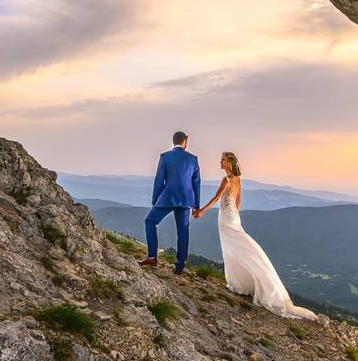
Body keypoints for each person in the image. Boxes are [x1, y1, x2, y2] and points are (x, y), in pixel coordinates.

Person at [194, 151, 329, 325]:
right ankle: (244, 282)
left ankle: (240, 284)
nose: (220, 163)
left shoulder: (226, 180)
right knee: (238, 247)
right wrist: (234, 215)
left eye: (222, 161)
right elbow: (238, 202)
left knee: (232, 249)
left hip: (226, 218)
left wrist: (202, 211)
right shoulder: (238, 180)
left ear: (228, 162)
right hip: (233, 216)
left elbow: (216, 198)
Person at [138, 131, 201, 274]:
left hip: (167, 198)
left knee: (150, 221)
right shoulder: (193, 159)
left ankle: (152, 256)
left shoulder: (165, 157)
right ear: (185, 142)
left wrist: (155, 199)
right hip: (186, 200)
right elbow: (196, 183)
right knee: (183, 231)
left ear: (174, 142)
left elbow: (159, 180)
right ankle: (180, 266)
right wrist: (196, 205)